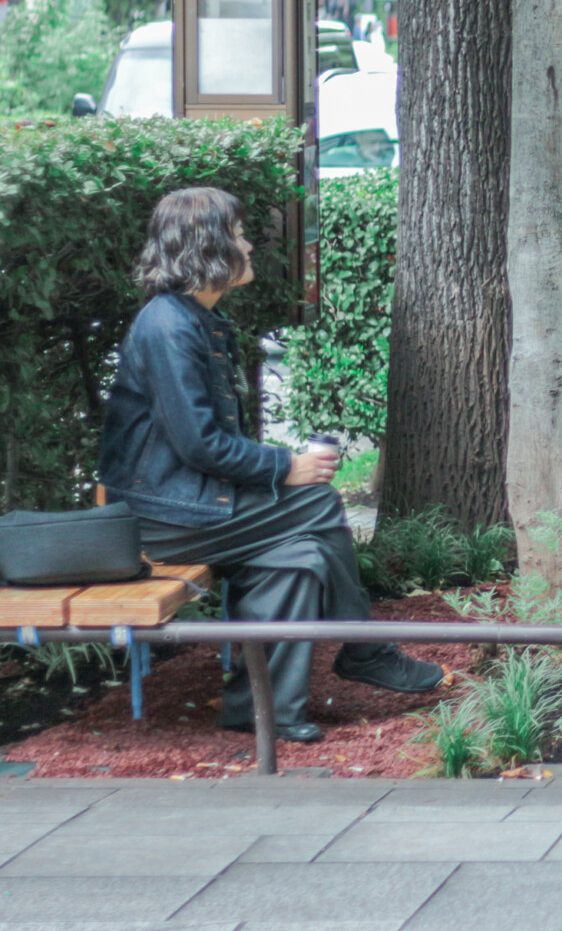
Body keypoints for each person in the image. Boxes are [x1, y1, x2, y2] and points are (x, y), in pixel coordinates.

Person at [98, 188, 444, 744]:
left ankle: (260, 711)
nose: (249, 245)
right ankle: (365, 649)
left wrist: (279, 468)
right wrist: (287, 467)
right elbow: (200, 445)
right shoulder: (169, 327)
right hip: (161, 519)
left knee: (297, 557)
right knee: (317, 501)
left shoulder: (196, 319)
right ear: (208, 246)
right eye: (238, 234)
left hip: (189, 503)